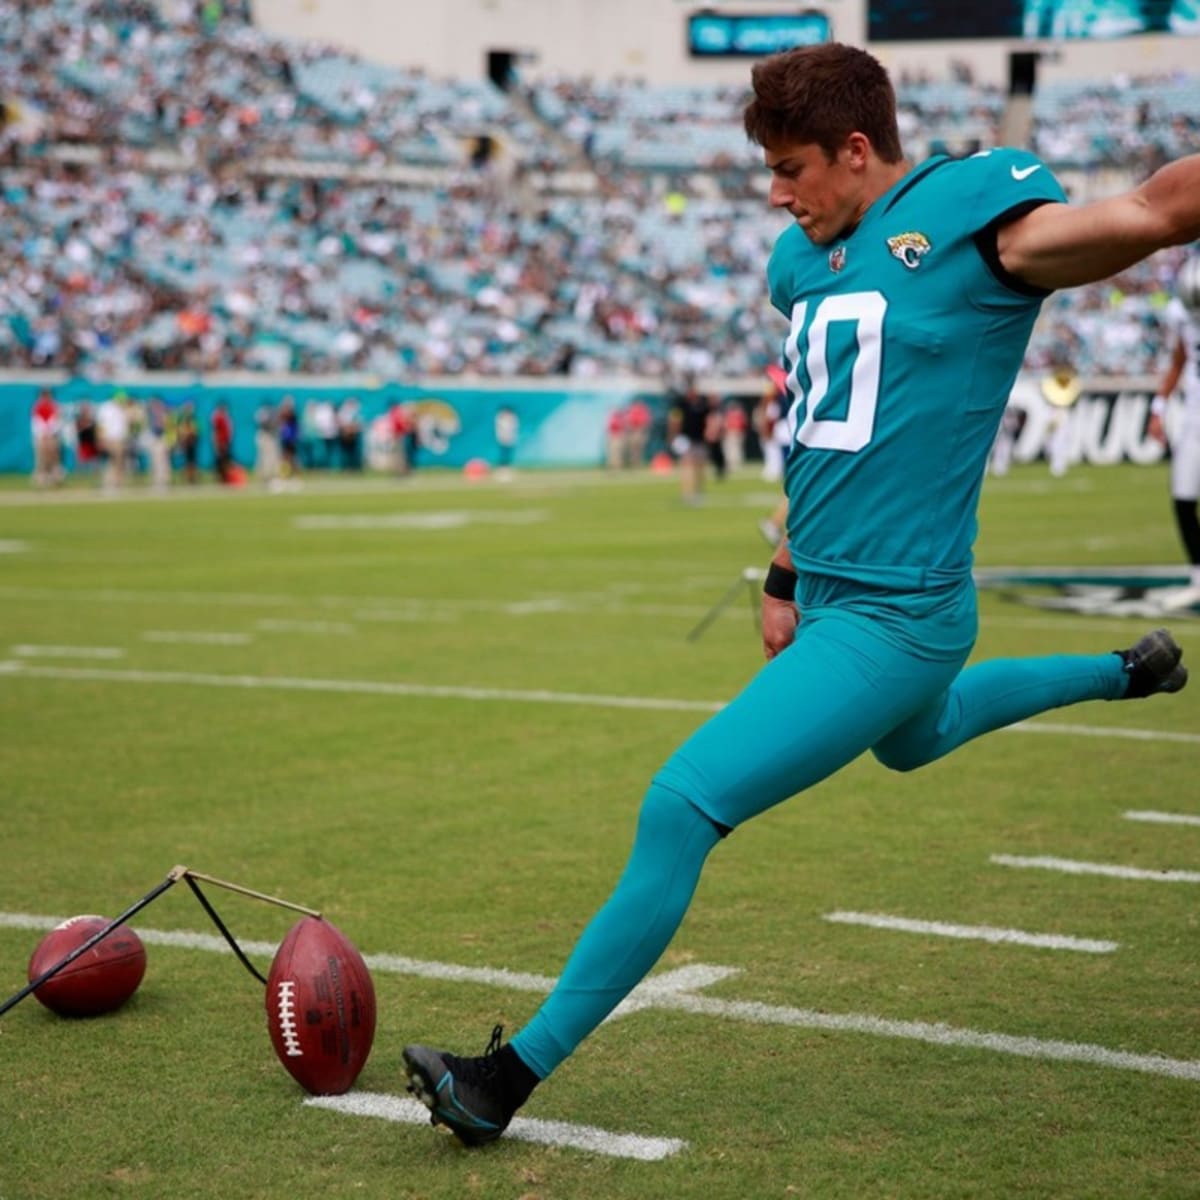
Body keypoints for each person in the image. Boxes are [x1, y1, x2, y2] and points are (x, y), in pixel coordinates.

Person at [402, 42, 1197, 1147]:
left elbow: (1155, 210)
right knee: (917, 741)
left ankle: (505, 1080)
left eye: (791, 169)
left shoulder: (981, 228)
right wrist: (784, 572)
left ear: (857, 150)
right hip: (837, 596)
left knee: (681, 805)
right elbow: (820, 438)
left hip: (897, 615)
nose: (777, 195)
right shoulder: (805, 262)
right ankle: (1126, 669)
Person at [1148, 253, 1200, 610]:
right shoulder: (1184, 318)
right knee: (1183, 497)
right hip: (1195, 414)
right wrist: (1159, 407)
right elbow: (1179, 361)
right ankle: (1199, 575)